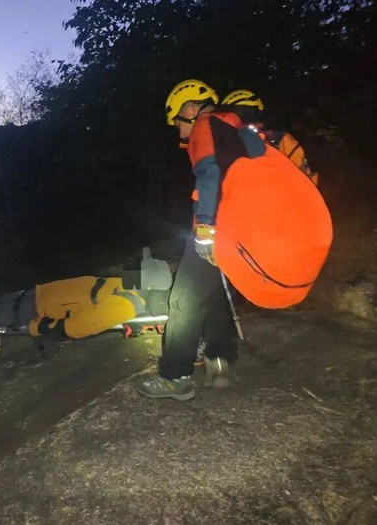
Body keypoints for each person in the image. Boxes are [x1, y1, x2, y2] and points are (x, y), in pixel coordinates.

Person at [137, 79, 239, 401]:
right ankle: (219, 361)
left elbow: (210, 175)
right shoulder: (233, 129)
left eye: (177, 121)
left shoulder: (206, 127)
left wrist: (206, 229)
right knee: (213, 295)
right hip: (237, 229)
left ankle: (175, 377)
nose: (177, 129)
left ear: (191, 110)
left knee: (183, 300)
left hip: (215, 228)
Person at [221, 89, 319, 185]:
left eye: (249, 115)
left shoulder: (280, 141)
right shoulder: (221, 143)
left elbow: (306, 178)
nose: (240, 123)